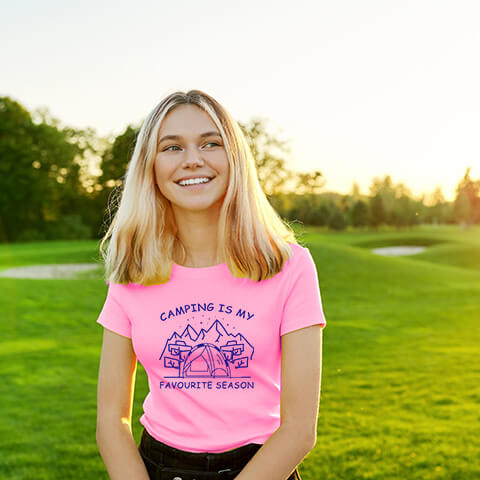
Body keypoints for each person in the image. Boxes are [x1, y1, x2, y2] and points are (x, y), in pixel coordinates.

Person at [95, 89, 327, 480]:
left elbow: (299, 430)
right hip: (159, 467)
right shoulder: (133, 270)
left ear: (234, 158)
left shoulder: (291, 266)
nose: (192, 160)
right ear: (150, 167)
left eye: (210, 143)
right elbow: (111, 422)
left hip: (261, 467)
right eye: (171, 147)